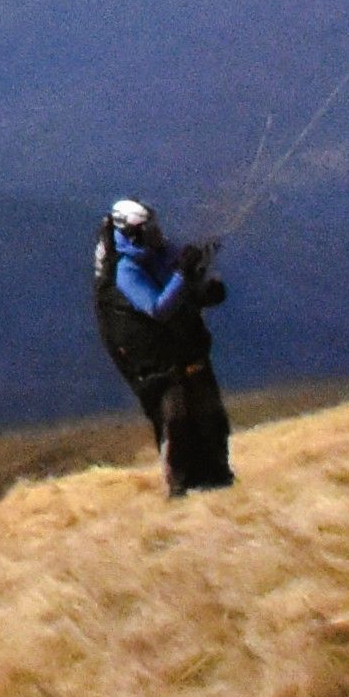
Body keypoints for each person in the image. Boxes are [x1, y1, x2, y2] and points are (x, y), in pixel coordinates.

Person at [91, 197, 233, 494]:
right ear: (132, 233)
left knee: (211, 416)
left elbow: (180, 277)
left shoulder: (158, 251)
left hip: (186, 351)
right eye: (148, 229)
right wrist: (182, 274)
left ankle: (217, 478)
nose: (155, 233)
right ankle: (181, 489)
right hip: (158, 364)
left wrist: (200, 276)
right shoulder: (126, 270)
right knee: (176, 421)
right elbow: (157, 307)